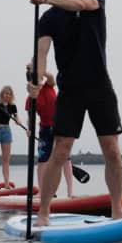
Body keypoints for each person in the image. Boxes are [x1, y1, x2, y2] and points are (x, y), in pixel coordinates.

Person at [29, 0, 122, 224]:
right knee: (60, 151)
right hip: (70, 89)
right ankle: (44, 212)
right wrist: (36, 81)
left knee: (112, 150)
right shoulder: (48, 18)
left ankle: (117, 210)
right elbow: (42, 53)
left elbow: (82, 4)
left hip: (100, 86)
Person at [26, 67, 75, 198]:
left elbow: (51, 77)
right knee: (42, 161)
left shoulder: (48, 85)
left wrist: (37, 68)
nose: (37, 82)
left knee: (65, 159)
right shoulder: (30, 99)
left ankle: (70, 193)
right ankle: (42, 192)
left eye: (38, 79)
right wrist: (30, 128)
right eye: (34, 80)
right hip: (45, 129)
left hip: (61, 126)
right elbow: (30, 117)